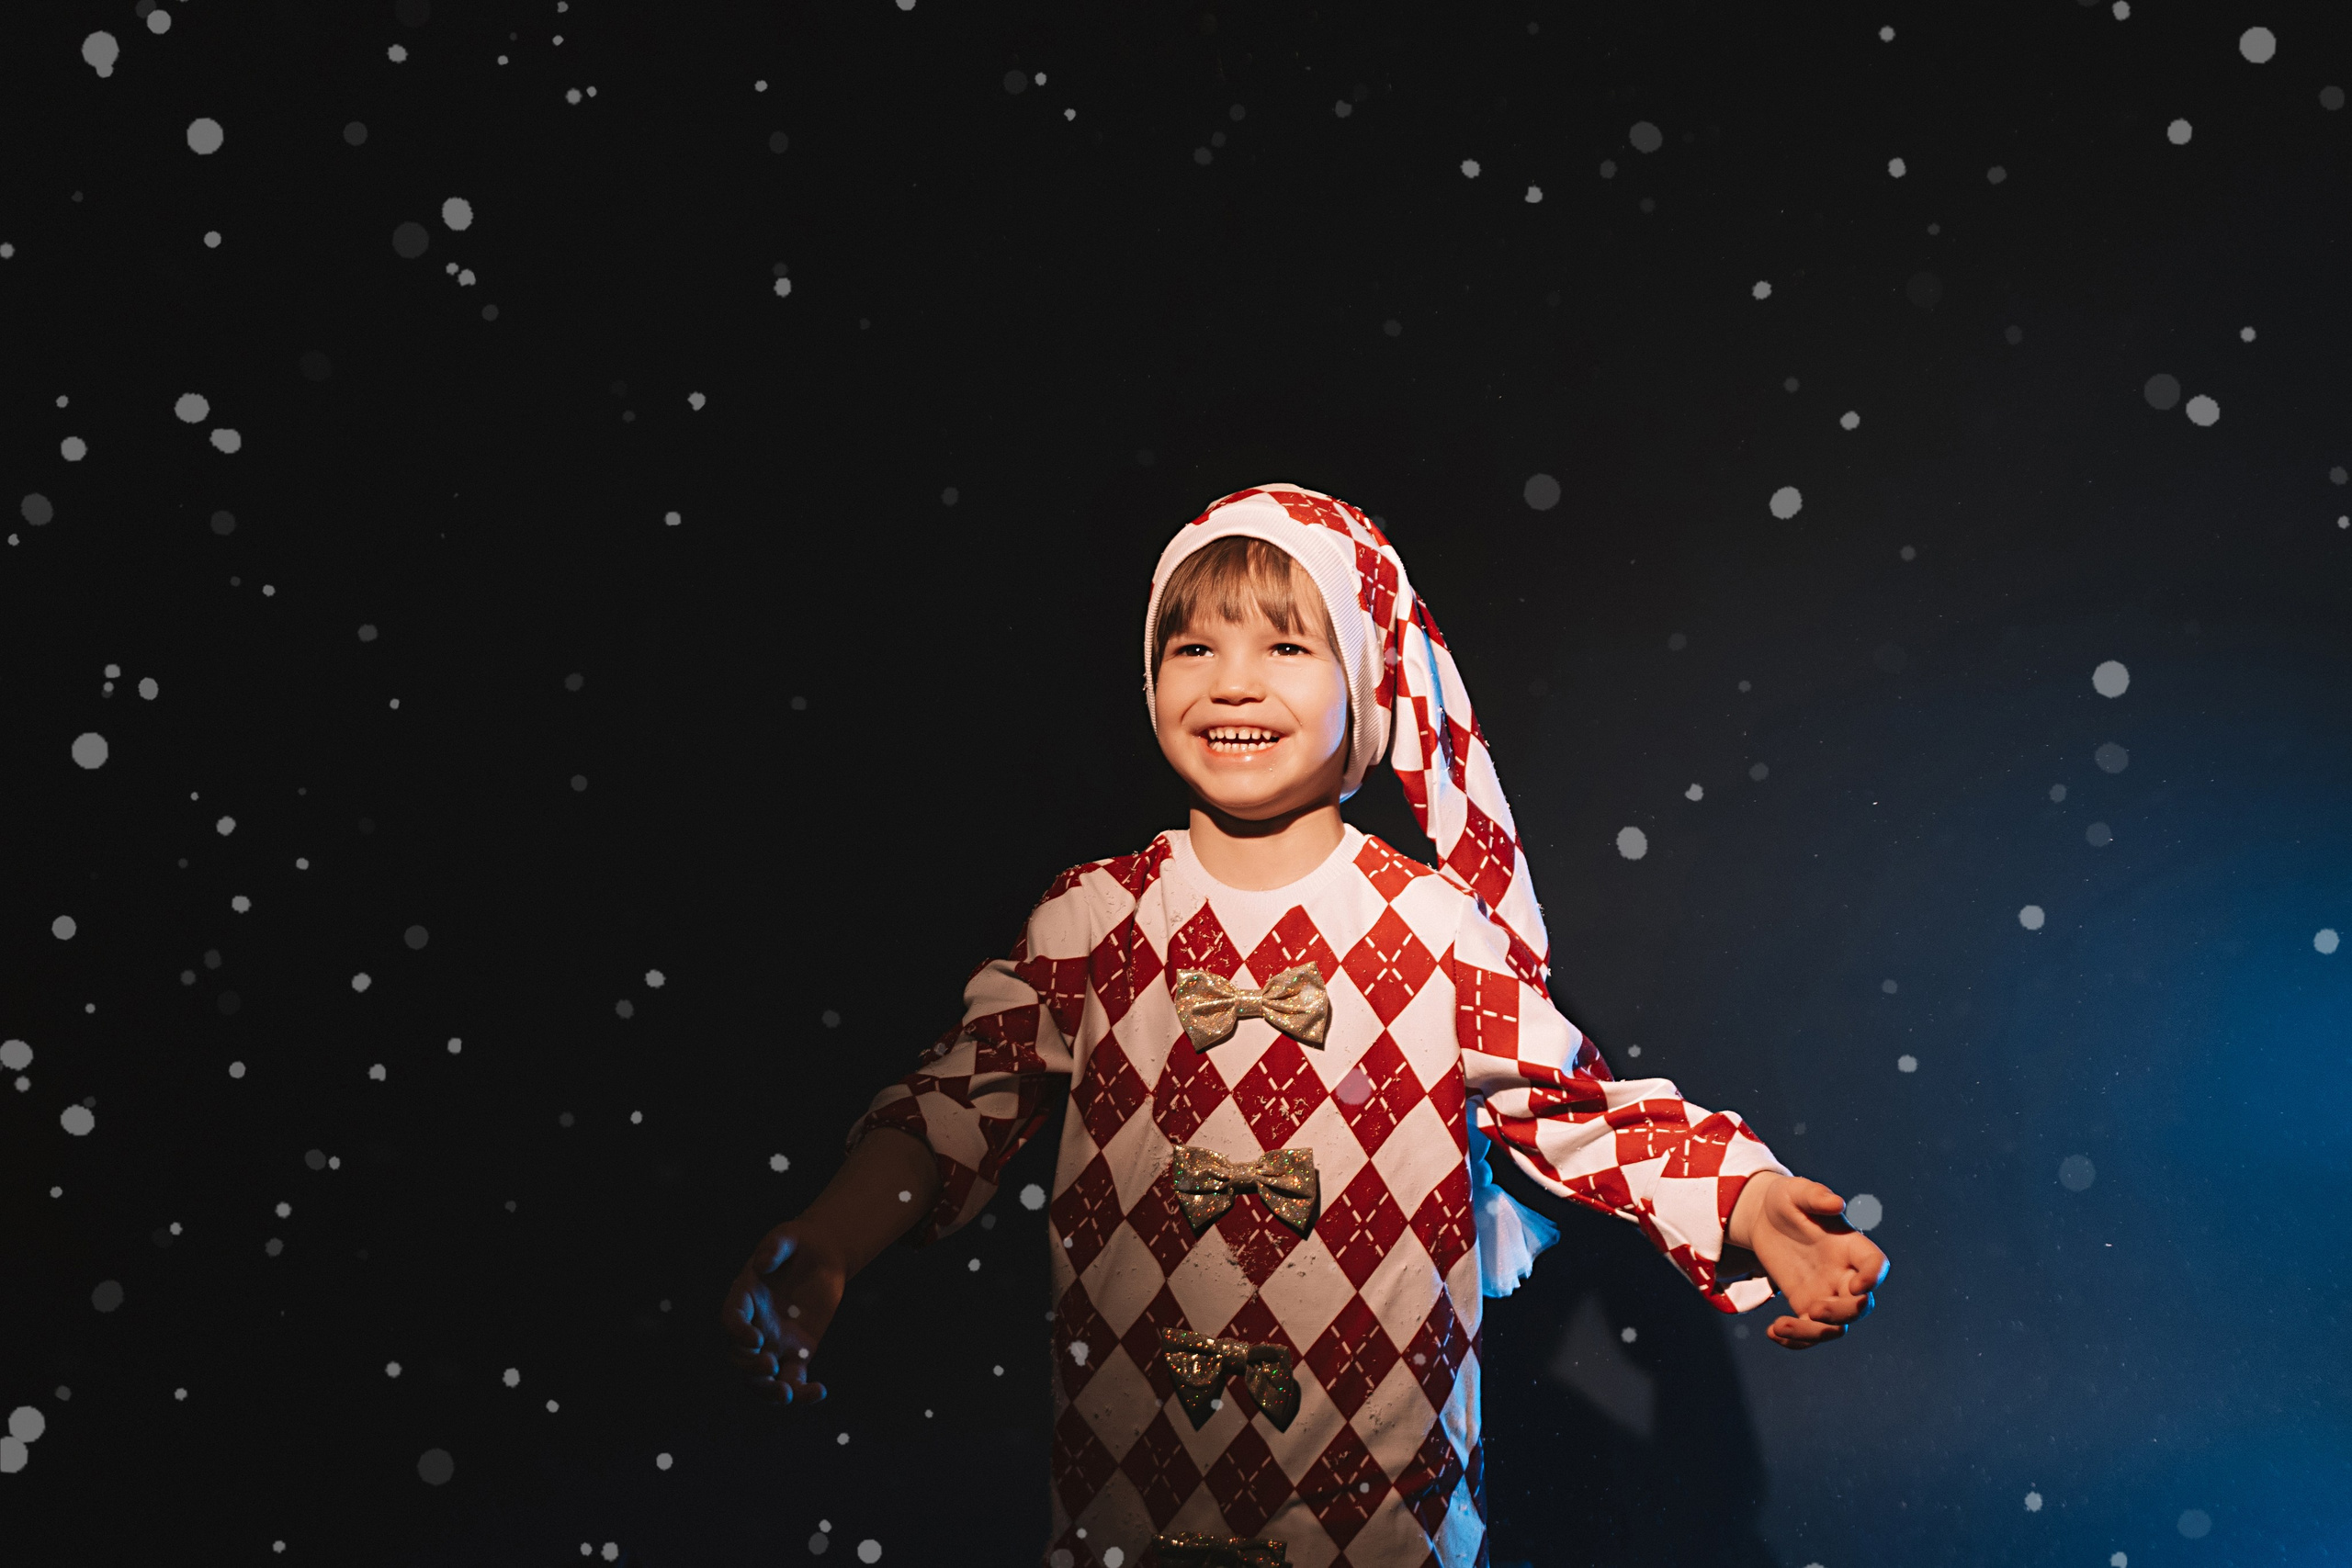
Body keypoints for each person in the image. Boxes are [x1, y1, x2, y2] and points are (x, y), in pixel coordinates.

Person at [721, 483, 1889, 1567]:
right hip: (1132, 1503)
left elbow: (1583, 1117)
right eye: (1193, 647)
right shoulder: (1094, 921)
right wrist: (831, 1238)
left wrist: (1751, 1204)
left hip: (1381, 1516)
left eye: (1285, 646)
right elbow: (954, 1103)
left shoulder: (1433, 931)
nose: (1232, 683)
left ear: (1368, 683)